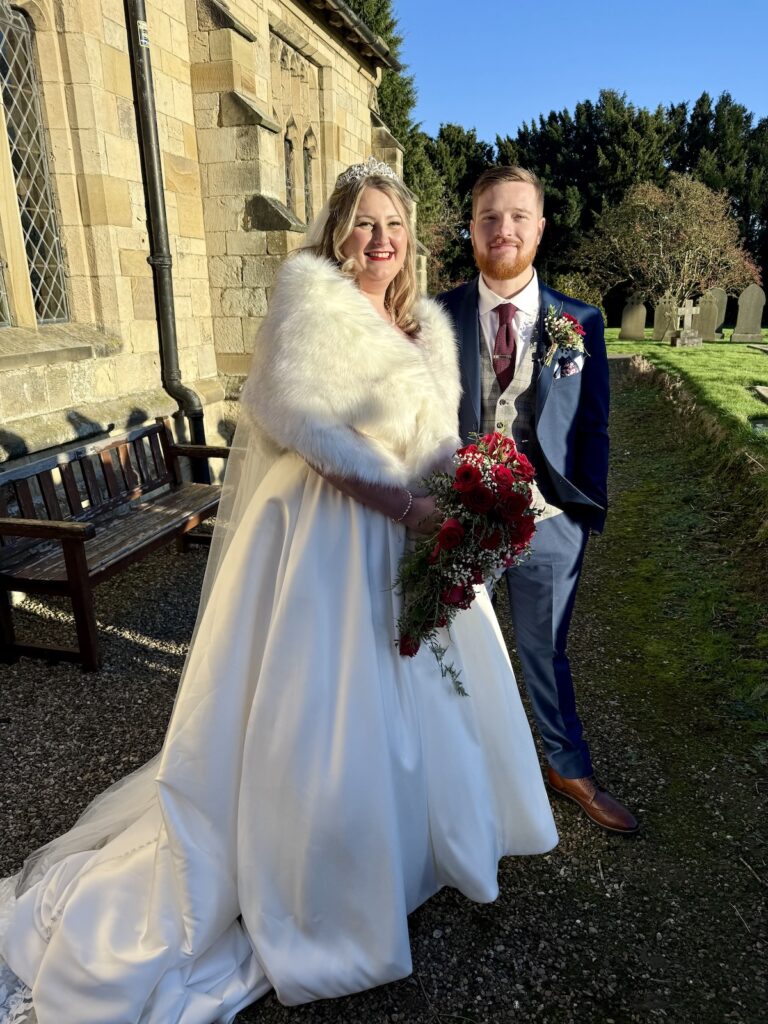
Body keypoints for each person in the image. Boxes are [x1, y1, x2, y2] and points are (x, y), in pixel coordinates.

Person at [0, 158, 557, 1024]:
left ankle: (412, 853)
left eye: (395, 225)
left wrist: (477, 492)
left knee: (426, 689)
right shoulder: (310, 303)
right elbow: (306, 425)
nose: (382, 240)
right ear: (338, 234)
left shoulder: (427, 327)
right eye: (365, 224)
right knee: (331, 708)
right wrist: (406, 505)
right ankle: (325, 884)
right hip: (332, 535)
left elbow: (438, 435)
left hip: (417, 531)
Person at [439, 165, 638, 835]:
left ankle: (566, 766)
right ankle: (454, 773)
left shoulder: (578, 321)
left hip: (551, 521)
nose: (505, 228)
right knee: (450, 647)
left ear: (541, 227)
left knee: (545, 650)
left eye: (519, 215)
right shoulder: (436, 314)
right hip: (460, 521)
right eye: (490, 216)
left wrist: (585, 512)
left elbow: (594, 425)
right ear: (471, 228)